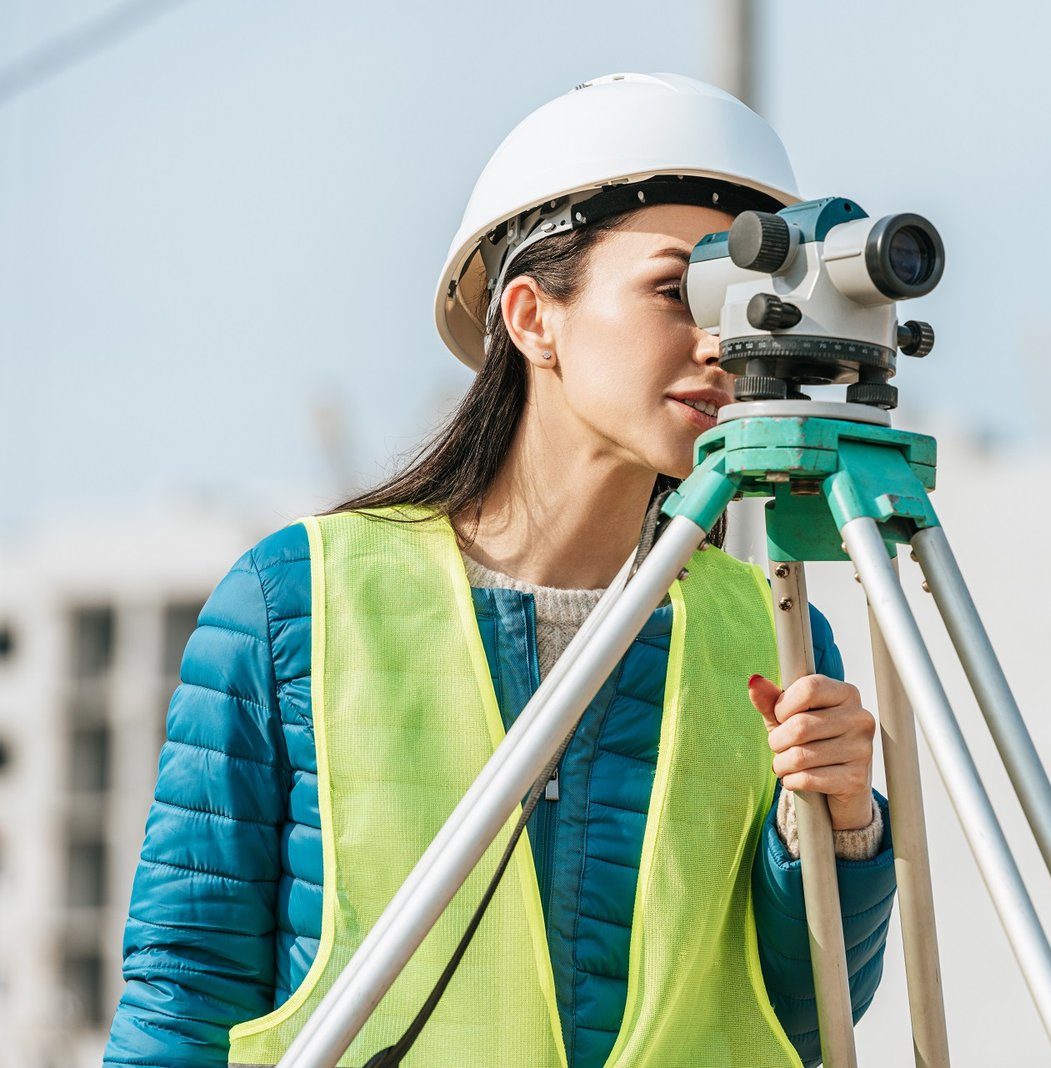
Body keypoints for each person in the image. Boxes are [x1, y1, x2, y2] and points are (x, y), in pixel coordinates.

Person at [103, 72, 896, 1068]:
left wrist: (844, 829)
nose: (720, 340)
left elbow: (799, 1015)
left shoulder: (771, 627)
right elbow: (185, 989)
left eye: (748, 296)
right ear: (532, 317)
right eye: (675, 288)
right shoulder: (296, 600)